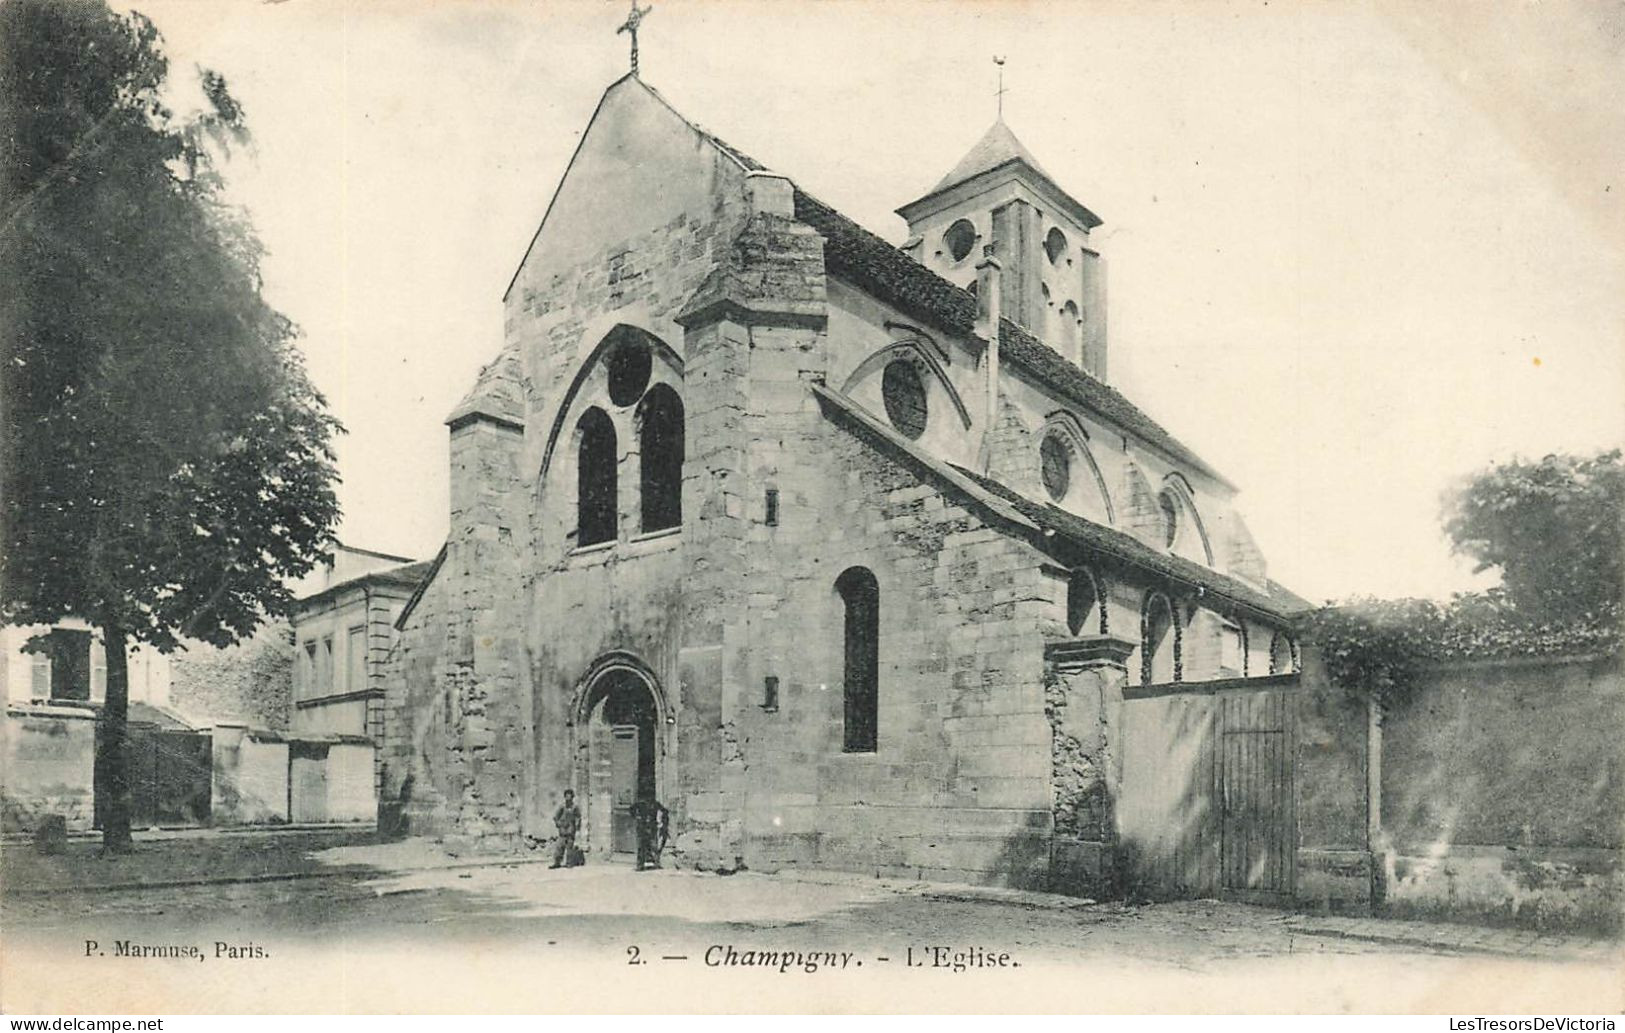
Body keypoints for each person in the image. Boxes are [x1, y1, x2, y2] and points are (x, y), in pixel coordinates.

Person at [628, 793, 669, 871]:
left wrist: (661, 821)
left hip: (652, 827)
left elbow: (664, 810)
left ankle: (656, 863)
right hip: (642, 827)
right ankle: (640, 865)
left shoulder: (655, 804)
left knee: (653, 845)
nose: (648, 800)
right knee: (642, 846)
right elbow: (631, 809)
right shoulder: (640, 804)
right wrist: (637, 817)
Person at [550, 789, 581, 869]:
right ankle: (557, 862)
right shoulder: (562, 807)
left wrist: (577, 827)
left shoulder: (575, 807)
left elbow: (578, 817)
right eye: (566, 795)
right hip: (563, 830)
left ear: (572, 797)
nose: (568, 797)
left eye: (570, 796)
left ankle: (569, 863)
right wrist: (558, 824)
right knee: (559, 847)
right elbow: (556, 817)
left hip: (571, 830)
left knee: (570, 848)